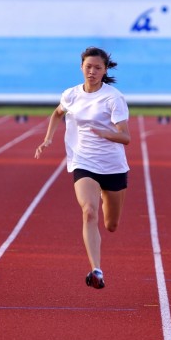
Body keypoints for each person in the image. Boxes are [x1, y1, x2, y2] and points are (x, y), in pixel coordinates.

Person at [34, 46, 131, 290]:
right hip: (83, 162)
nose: (92, 71)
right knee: (89, 211)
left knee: (111, 224)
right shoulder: (71, 95)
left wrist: (106, 133)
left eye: (98, 68)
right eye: (88, 67)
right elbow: (57, 113)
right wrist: (48, 138)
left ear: (105, 70)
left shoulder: (113, 98)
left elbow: (126, 137)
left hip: (113, 166)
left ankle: (103, 193)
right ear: (81, 68)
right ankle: (96, 270)